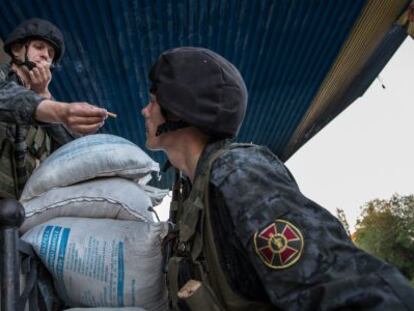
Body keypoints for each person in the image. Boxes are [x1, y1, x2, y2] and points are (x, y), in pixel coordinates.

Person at [141, 47, 414, 311]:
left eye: (153, 101)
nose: (145, 111)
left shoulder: (239, 174)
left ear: (178, 109)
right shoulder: (190, 192)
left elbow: (349, 290)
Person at [0, 18, 108, 199]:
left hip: (20, 214)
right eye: (39, 47)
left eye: (50, 53)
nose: (45, 56)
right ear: (17, 50)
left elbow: (69, 150)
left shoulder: (45, 101)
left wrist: (43, 95)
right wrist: (56, 110)